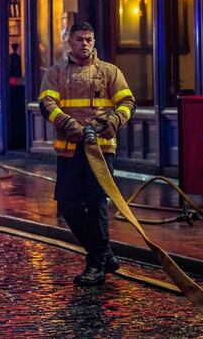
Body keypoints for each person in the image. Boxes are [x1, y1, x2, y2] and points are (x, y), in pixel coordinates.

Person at [38, 21, 136, 287]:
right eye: (80, 39)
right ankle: (105, 255)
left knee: (96, 205)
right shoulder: (56, 73)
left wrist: (113, 121)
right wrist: (68, 124)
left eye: (89, 39)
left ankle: (96, 264)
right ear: (69, 41)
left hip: (100, 150)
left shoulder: (108, 72)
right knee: (68, 206)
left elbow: (127, 103)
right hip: (70, 149)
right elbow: (47, 104)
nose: (85, 44)